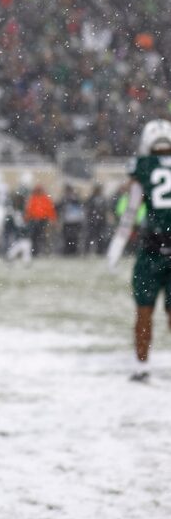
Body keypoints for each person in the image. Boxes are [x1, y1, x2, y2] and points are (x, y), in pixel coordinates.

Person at [108, 118, 171, 382]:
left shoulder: (143, 167)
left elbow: (131, 211)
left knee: (144, 311)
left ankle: (141, 366)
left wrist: (117, 245)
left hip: (152, 249)